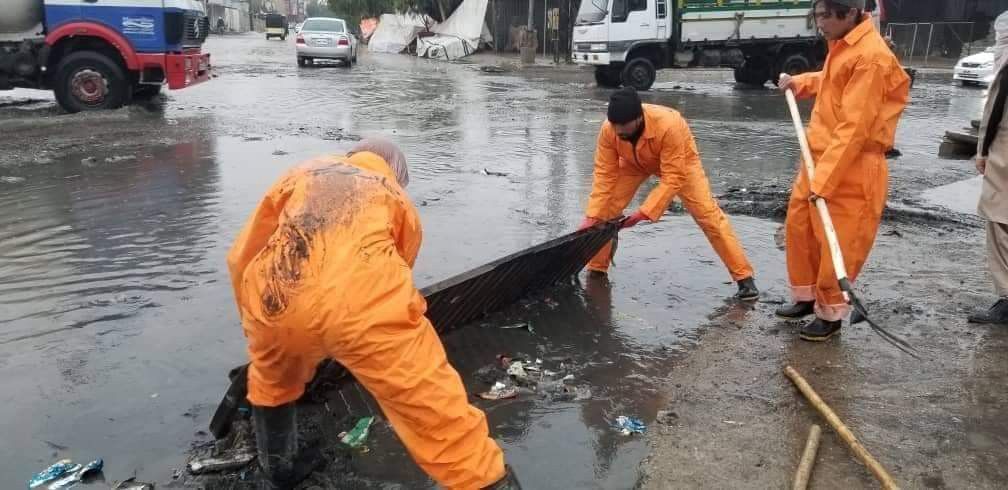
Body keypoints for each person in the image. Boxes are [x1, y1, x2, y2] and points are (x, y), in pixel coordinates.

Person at [227, 139, 521, 489]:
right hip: (367, 309)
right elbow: (400, 268)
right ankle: (486, 480)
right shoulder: (393, 195)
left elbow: (243, 256)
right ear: (396, 172)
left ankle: (280, 469)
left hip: (279, 297)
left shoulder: (301, 173)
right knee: (439, 417)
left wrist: (257, 326)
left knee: (272, 382)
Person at [776, 0, 910, 341]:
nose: (819, 23)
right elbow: (832, 80)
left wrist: (824, 181)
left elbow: (854, 129)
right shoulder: (844, 46)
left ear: (848, 13)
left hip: (851, 165)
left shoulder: (871, 58)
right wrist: (800, 83)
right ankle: (806, 297)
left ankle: (831, 313)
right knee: (800, 228)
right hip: (820, 156)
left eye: (825, 16)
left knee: (839, 239)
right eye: (817, 15)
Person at [577, 87, 759, 301]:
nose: (618, 132)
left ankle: (745, 278)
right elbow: (604, 174)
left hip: (681, 164)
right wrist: (592, 215)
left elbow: (673, 177)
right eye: (615, 127)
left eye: (623, 127)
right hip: (633, 164)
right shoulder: (609, 130)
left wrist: (644, 212)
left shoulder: (669, 125)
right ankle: (597, 268)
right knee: (604, 211)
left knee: (708, 216)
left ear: (638, 118)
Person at [969, 17, 1008, 325]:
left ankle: (1007, 299)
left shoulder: (1006, 62)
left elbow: (994, 108)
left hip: (1004, 154)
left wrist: (982, 151)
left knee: (999, 222)